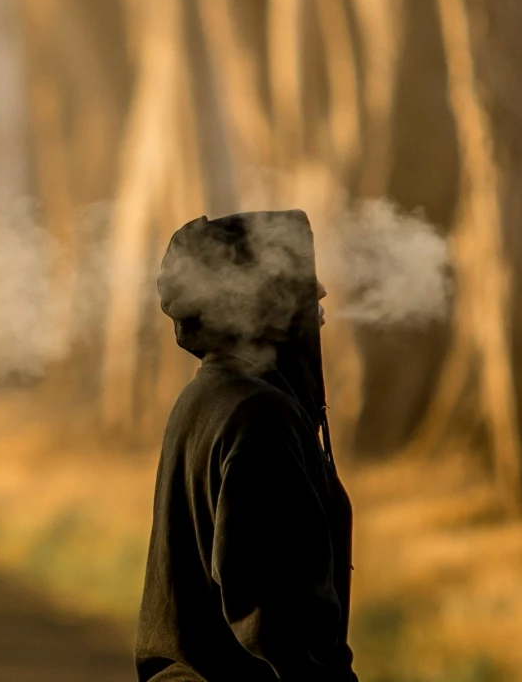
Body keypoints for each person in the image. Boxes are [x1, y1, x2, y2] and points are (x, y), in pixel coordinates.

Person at [136, 211, 357, 682]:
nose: (319, 296)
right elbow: (274, 613)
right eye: (295, 280)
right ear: (253, 302)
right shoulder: (258, 415)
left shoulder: (206, 396)